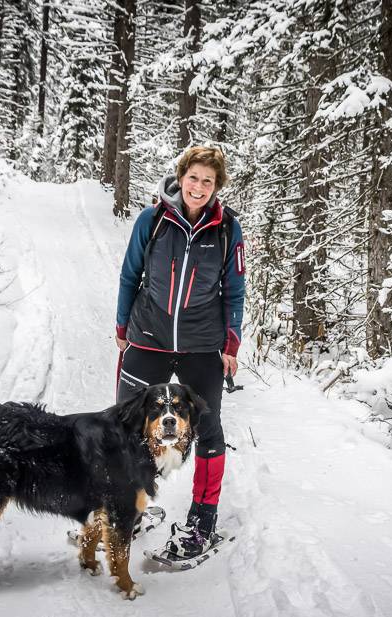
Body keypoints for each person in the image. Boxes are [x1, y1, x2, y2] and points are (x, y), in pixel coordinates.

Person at [114, 145, 245, 558]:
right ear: (181, 176)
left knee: (208, 429)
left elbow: (234, 290)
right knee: (129, 425)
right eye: (194, 178)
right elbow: (130, 273)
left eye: (209, 181)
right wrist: (122, 326)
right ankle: (129, 510)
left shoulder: (226, 230)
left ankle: (202, 522)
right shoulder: (152, 220)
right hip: (147, 336)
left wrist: (230, 343)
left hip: (201, 345)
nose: (199, 187)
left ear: (216, 186)